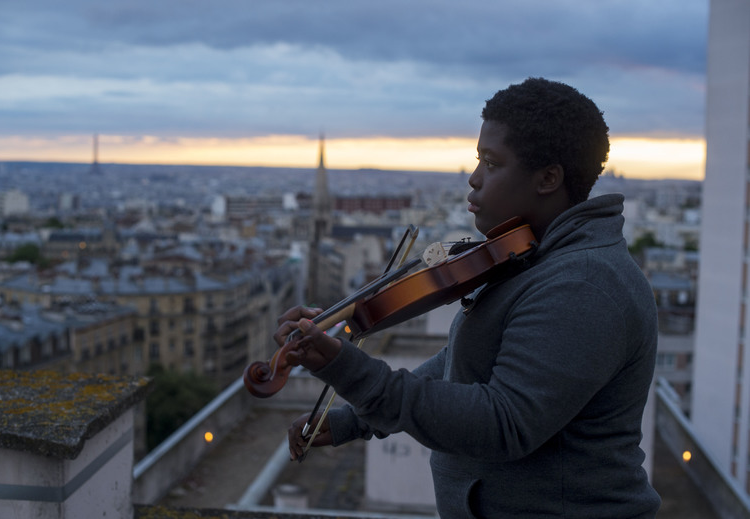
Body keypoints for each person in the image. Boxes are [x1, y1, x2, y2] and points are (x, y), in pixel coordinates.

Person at [275, 77, 661, 518]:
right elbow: (463, 360)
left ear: (548, 177)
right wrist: (356, 419)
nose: (474, 179)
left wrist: (350, 371)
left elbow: (503, 424)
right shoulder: (532, 257)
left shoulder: (584, 285)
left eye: (491, 163)